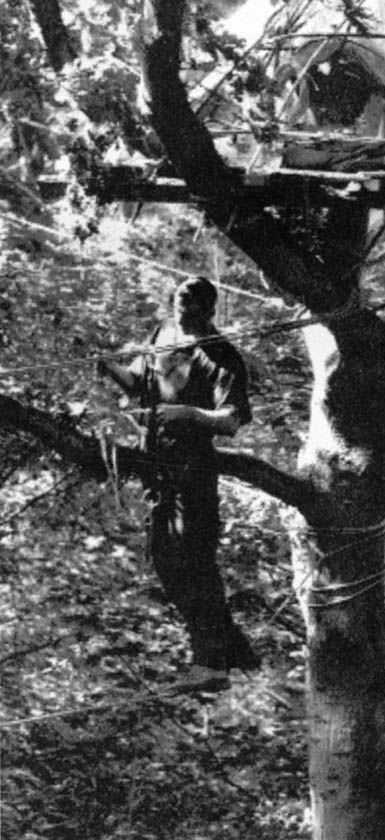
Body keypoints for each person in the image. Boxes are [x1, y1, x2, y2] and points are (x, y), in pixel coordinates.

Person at [98, 276, 259, 674]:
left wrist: (186, 414)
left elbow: (231, 420)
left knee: (195, 561)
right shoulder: (163, 335)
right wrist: (108, 367)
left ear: (208, 310)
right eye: (177, 305)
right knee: (165, 560)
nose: (181, 315)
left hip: (193, 466)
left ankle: (211, 663)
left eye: (190, 308)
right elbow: (138, 384)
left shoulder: (222, 356)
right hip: (157, 465)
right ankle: (232, 651)